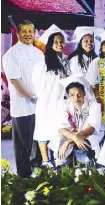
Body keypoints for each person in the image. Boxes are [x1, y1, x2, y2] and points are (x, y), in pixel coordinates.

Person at [2, 20, 44, 177]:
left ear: (34, 33)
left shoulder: (39, 53)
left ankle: (39, 176)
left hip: (40, 106)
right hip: (22, 107)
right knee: (24, 146)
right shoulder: (11, 54)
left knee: (38, 143)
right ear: (18, 34)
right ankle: (24, 178)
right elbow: (14, 80)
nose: (28, 34)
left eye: (30, 31)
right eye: (24, 31)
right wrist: (32, 97)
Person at [31, 24, 70, 167]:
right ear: (50, 44)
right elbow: (37, 83)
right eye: (56, 42)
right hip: (46, 101)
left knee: (57, 130)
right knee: (43, 130)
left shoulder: (63, 60)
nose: (59, 44)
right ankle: (46, 161)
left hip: (60, 101)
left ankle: (58, 159)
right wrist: (44, 97)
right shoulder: (43, 61)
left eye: (61, 42)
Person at [51, 75, 102, 166]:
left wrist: (70, 141)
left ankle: (92, 160)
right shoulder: (63, 105)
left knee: (91, 138)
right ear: (68, 96)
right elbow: (61, 128)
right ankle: (65, 162)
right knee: (59, 138)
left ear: (84, 93)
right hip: (71, 133)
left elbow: (91, 128)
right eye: (72, 95)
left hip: (88, 133)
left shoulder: (94, 105)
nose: (76, 98)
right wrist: (74, 137)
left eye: (79, 94)